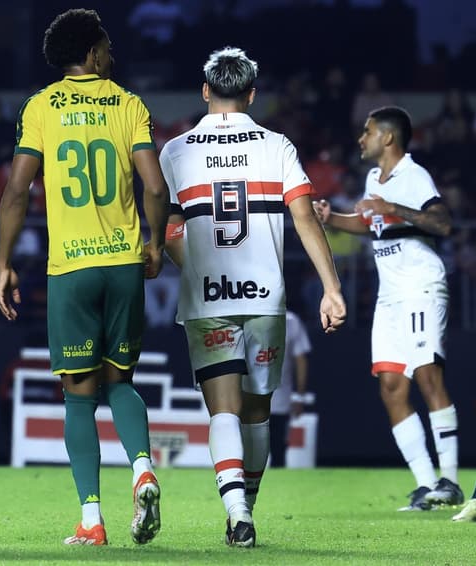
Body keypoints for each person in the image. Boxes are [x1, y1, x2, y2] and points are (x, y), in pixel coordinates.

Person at [0, 9, 169, 547]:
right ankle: (142, 467)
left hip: (71, 267)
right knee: (121, 382)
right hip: (123, 263)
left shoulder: (41, 107)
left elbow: (18, 190)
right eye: (106, 47)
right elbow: (156, 187)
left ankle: (92, 520)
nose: (111, 55)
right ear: (92, 53)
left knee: (77, 394)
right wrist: (155, 243)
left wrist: (4, 262)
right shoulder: (128, 103)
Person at [160, 47, 346, 548]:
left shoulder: (176, 150)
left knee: (223, 411)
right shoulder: (276, 146)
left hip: (208, 299)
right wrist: (332, 289)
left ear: (205, 91)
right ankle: (244, 513)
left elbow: (170, 230)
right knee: (258, 411)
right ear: (251, 94)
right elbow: (305, 218)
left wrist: (192, 268)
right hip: (265, 298)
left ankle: (236, 511)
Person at [314, 106, 463, 511]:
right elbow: (370, 224)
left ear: (388, 138)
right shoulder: (372, 178)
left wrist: (394, 208)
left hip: (420, 287)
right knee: (391, 386)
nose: (361, 138)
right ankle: (426, 486)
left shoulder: (412, 175)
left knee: (429, 377)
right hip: (390, 295)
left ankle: (450, 480)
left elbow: (443, 222)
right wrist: (332, 219)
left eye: (367, 131)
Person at [268, 310, 312, 467]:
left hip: (279, 400)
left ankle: (276, 488)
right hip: (247, 398)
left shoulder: (291, 321)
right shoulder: (245, 316)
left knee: (278, 450)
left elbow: (301, 360)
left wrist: (299, 396)